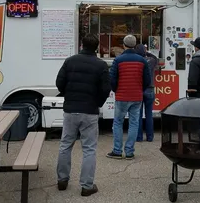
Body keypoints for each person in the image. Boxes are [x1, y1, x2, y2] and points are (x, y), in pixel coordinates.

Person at [56, 34, 111, 197]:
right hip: (89, 111)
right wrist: (97, 103)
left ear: (81, 45)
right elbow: (106, 89)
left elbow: (59, 83)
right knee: (89, 149)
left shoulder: (70, 61)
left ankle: (62, 180)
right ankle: (87, 186)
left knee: (65, 144)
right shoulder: (101, 65)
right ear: (96, 47)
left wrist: (69, 95)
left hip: (70, 110)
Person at [107, 35, 151, 160]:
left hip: (121, 96)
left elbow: (113, 79)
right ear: (135, 45)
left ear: (124, 45)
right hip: (137, 96)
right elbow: (147, 80)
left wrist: (116, 90)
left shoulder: (118, 60)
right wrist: (140, 90)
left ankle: (117, 151)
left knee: (118, 122)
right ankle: (130, 152)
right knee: (134, 123)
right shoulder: (142, 60)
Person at [135, 44, 159, 142]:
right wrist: (146, 52)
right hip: (150, 89)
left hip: (139, 89)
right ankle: (150, 137)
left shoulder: (137, 61)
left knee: (138, 115)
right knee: (149, 114)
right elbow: (155, 57)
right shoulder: (151, 61)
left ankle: (139, 137)